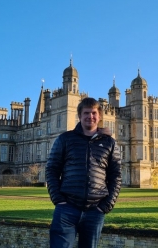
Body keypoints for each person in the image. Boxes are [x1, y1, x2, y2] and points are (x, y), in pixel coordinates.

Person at [46, 97, 122, 248]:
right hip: (67, 208)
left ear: (99, 116)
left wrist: (106, 206)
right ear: (79, 115)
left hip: (95, 210)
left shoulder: (109, 143)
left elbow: (116, 176)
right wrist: (58, 199)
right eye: (86, 113)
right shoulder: (65, 139)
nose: (90, 116)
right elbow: (52, 169)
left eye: (94, 113)